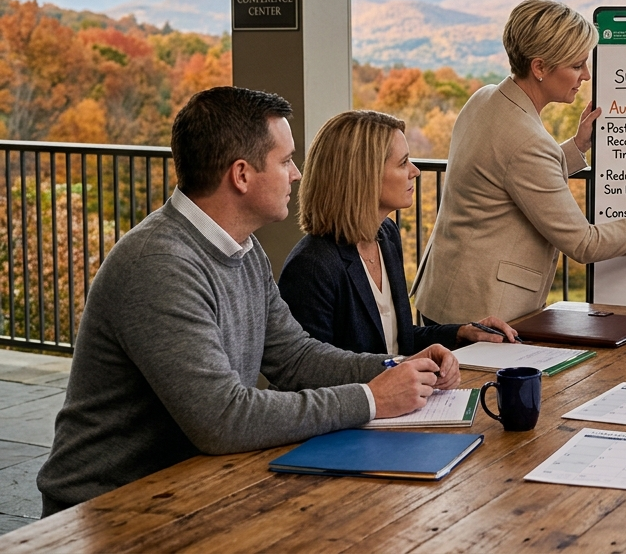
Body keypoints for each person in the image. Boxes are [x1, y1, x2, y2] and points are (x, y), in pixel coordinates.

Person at [36, 87, 459, 515]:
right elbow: (223, 419)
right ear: (241, 175)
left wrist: (396, 367)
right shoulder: (159, 264)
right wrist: (371, 399)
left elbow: (295, 357)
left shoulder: (244, 249)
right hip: (109, 507)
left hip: (190, 486)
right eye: (285, 161)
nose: (297, 174)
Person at [413, 0, 626, 325]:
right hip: (482, 313)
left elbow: (509, 173)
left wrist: (577, 146)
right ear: (539, 67)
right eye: (577, 65)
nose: (586, 75)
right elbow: (584, 244)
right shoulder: (527, 142)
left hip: (444, 294)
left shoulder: (485, 98)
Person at [279, 110, 519, 355]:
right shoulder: (312, 267)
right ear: (365, 175)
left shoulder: (386, 235)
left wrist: (459, 333)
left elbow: (396, 338)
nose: (415, 171)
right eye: (403, 163)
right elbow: (314, 369)